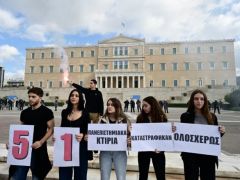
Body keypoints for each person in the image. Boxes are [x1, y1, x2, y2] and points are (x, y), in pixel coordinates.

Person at [10, 87, 55, 180]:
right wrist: (12, 143)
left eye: (33, 97)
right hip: (24, 149)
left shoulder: (47, 112)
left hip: (38, 149)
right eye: (29, 96)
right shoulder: (24, 112)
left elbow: (51, 129)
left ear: (40, 97)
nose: (30, 99)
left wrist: (41, 142)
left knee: (37, 175)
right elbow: (21, 129)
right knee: (18, 175)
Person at [180, 89, 225, 180]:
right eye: (196, 99)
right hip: (191, 156)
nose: (199, 101)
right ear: (192, 101)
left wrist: (221, 132)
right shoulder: (185, 116)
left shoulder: (212, 117)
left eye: (202, 99)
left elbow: (214, 137)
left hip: (208, 156)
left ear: (205, 101)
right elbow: (183, 135)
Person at [58, 89, 90, 180]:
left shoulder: (85, 113)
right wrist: (57, 137)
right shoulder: (64, 112)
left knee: (80, 175)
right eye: (72, 95)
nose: (74, 97)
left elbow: (88, 132)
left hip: (80, 148)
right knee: (64, 175)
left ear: (80, 98)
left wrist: (83, 135)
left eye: (76, 95)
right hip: (66, 148)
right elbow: (62, 128)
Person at [69, 79, 104, 159]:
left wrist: (101, 114)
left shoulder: (98, 93)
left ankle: (95, 147)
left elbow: (101, 103)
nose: (90, 84)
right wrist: (73, 83)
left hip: (95, 113)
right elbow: (80, 88)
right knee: (87, 130)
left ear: (95, 84)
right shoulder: (87, 91)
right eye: (90, 83)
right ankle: (88, 145)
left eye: (91, 83)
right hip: (87, 113)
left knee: (95, 131)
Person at [136, 96, 168, 180]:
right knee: (143, 175)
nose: (143, 108)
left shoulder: (162, 118)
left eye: (146, 105)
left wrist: (162, 149)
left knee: (160, 175)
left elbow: (165, 136)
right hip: (144, 151)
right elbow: (137, 134)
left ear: (152, 105)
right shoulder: (140, 118)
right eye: (143, 106)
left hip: (158, 151)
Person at [99, 98, 131, 180]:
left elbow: (130, 137)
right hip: (105, 152)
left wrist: (129, 139)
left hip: (120, 152)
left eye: (112, 105)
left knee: (121, 177)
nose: (109, 106)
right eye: (108, 104)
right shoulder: (102, 120)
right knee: (104, 177)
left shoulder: (124, 120)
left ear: (117, 107)